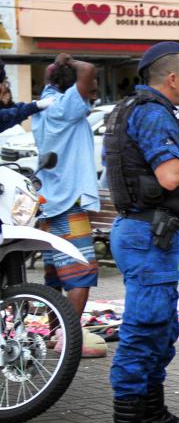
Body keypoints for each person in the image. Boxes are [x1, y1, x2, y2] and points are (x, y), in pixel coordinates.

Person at [105, 42, 179, 423]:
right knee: (144, 331)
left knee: (161, 329)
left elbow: (158, 177)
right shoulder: (152, 113)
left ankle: (152, 413)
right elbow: (168, 177)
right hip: (148, 236)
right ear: (171, 78)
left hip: (150, 233)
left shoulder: (138, 109)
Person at [33, 53, 105, 358]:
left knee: (55, 276)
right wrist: (70, 61)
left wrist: (59, 70)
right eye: (91, 87)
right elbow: (87, 69)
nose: (94, 89)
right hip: (69, 203)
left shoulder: (44, 106)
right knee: (81, 273)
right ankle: (67, 338)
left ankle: (52, 334)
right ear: (74, 86)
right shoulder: (67, 107)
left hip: (47, 202)